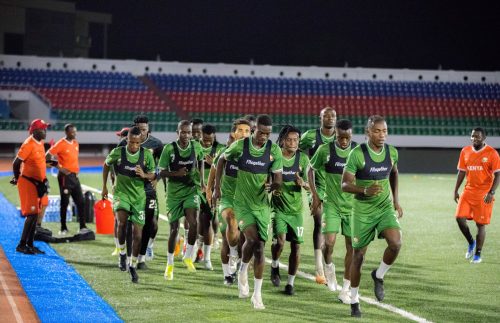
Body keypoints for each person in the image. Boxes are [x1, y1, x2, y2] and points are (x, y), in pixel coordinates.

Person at [213, 114, 283, 310]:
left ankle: (255, 291)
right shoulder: (241, 146)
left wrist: (275, 186)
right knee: (252, 240)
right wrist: (217, 187)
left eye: (268, 134)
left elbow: (278, 178)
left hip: (262, 206)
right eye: (261, 132)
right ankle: (244, 274)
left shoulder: (274, 150)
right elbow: (221, 161)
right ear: (254, 130)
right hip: (242, 203)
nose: (264, 137)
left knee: (260, 248)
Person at [341, 115, 403, 317]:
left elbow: (394, 172)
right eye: (377, 131)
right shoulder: (357, 154)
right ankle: (354, 299)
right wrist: (364, 191)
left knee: (396, 243)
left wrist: (395, 200)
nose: (382, 135)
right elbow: (345, 184)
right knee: (358, 256)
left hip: (384, 207)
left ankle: (379, 275)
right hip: (362, 212)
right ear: (367, 132)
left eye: (384, 131)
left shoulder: (391, 152)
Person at [310, 119, 357, 304]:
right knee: (328, 243)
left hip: (353, 208)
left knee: (352, 248)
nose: (344, 141)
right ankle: (329, 268)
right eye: (340, 137)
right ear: (335, 135)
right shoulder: (325, 150)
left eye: (347, 138)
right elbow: (310, 169)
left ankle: (345, 289)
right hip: (332, 205)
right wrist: (315, 195)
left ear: (352, 136)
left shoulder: (357, 152)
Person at [102, 126, 156, 283]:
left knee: (138, 234)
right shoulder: (118, 152)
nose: (133, 146)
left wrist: (145, 175)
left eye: (137, 143)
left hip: (139, 198)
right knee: (121, 222)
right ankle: (122, 254)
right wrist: (105, 186)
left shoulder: (147, 155)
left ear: (141, 142)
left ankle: (132, 264)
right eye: (131, 142)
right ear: (127, 140)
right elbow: (106, 165)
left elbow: (154, 174)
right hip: (121, 194)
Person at [159, 120, 204, 280]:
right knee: (174, 229)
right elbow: (161, 172)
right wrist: (176, 174)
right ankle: (169, 264)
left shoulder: (196, 146)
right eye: (183, 132)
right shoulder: (169, 149)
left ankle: (188, 256)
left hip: (191, 190)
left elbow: (200, 164)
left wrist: (203, 183)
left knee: (194, 222)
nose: (186, 135)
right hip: (173, 194)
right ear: (177, 133)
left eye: (189, 132)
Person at [209, 118, 252, 284]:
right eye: (240, 130)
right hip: (227, 199)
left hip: (246, 201)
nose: (244, 134)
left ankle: (240, 269)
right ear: (234, 133)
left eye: (247, 131)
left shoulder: (253, 152)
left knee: (244, 239)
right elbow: (213, 172)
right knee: (229, 231)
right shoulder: (224, 153)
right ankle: (227, 274)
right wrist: (211, 191)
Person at [118, 115, 163, 269]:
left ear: (148, 129)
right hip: (130, 190)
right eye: (139, 129)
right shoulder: (124, 143)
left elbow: (162, 166)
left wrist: (156, 180)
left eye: (144, 129)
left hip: (149, 188)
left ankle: (148, 247)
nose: (142, 133)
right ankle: (131, 257)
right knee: (130, 226)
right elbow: (114, 163)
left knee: (153, 224)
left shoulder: (156, 144)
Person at [270, 125, 309, 296]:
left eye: (296, 140)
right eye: (289, 139)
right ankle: (275, 265)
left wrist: (304, 184)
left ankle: (290, 284)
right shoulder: (275, 155)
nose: (293, 143)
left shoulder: (303, 159)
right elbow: (267, 177)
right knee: (280, 241)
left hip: (296, 211)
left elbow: (310, 186)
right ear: (282, 141)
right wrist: (271, 186)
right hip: (278, 209)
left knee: (296, 247)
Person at [300, 106, 337, 283]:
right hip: (315, 185)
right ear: (320, 118)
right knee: (319, 220)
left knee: (331, 227)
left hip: (335, 188)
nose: (330, 118)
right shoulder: (310, 136)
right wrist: (300, 169)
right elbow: (293, 148)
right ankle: (319, 268)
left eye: (333, 116)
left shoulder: (341, 138)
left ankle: (327, 261)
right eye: (326, 116)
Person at [454, 127, 499, 264]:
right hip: (468, 191)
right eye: (473, 136)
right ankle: (471, 242)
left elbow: (498, 174)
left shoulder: (492, 153)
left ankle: (478, 254)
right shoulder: (465, 151)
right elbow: (461, 171)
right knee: (459, 218)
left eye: (477, 136)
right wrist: (455, 190)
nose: (474, 139)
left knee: (480, 225)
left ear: (484, 138)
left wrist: (491, 192)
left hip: (484, 194)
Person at [11, 119, 52, 255]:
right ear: (34, 131)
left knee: (35, 214)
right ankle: (21, 245)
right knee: (32, 214)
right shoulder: (29, 143)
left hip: (37, 183)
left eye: (45, 128)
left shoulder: (39, 142)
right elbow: (16, 163)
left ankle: (30, 244)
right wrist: (17, 178)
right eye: (42, 129)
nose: (45, 131)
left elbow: (38, 162)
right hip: (28, 183)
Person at [47, 123, 91, 235]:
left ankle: (82, 226)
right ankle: (63, 228)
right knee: (65, 202)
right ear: (66, 132)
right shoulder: (61, 143)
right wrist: (60, 168)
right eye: (72, 132)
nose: (74, 134)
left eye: (75, 132)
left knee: (81, 202)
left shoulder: (76, 143)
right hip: (65, 177)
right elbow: (47, 156)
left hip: (75, 177)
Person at [196, 123, 225, 269]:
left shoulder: (220, 149)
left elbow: (225, 168)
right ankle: (195, 249)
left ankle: (206, 258)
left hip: (210, 190)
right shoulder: (194, 146)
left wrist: (212, 162)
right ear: (199, 135)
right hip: (194, 189)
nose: (207, 142)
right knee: (194, 221)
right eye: (205, 139)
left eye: (210, 140)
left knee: (208, 221)